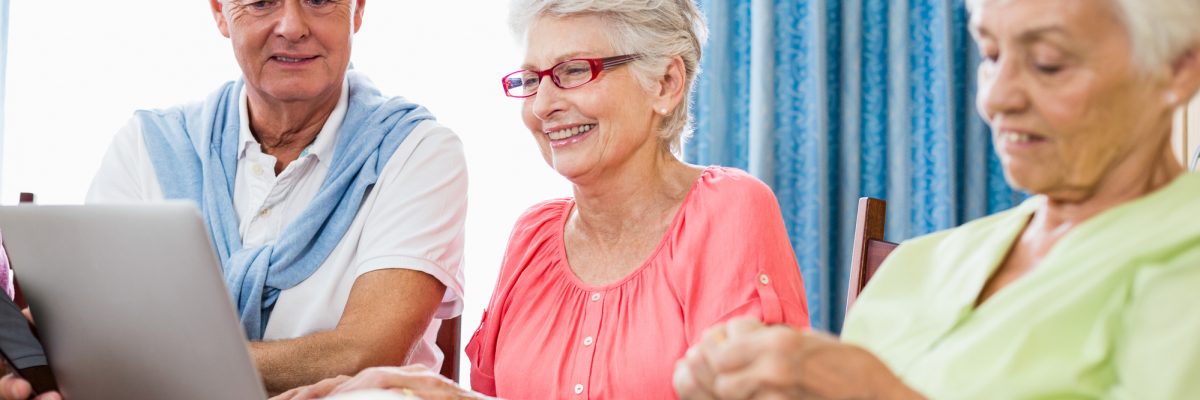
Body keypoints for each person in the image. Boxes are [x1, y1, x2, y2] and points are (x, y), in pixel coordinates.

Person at [274, 0, 810, 399]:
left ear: (666, 83)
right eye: (533, 79)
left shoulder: (729, 210)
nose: (544, 105)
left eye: (576, 71)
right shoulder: (534, 235)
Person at [673, 0, 1200, 398]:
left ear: (1177, 69)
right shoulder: (919, 263)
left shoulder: (1184, 265)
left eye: (1048, 63)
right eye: (991, 54)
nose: (996, 97)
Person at [1, 0, 467, 398]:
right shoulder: (146, 145)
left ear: (358, 9)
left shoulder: (416, 151)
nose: (292, 25)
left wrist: (150, 360)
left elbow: (365, 352)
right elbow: (90, 329)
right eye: (262, 1)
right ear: (221, 12)